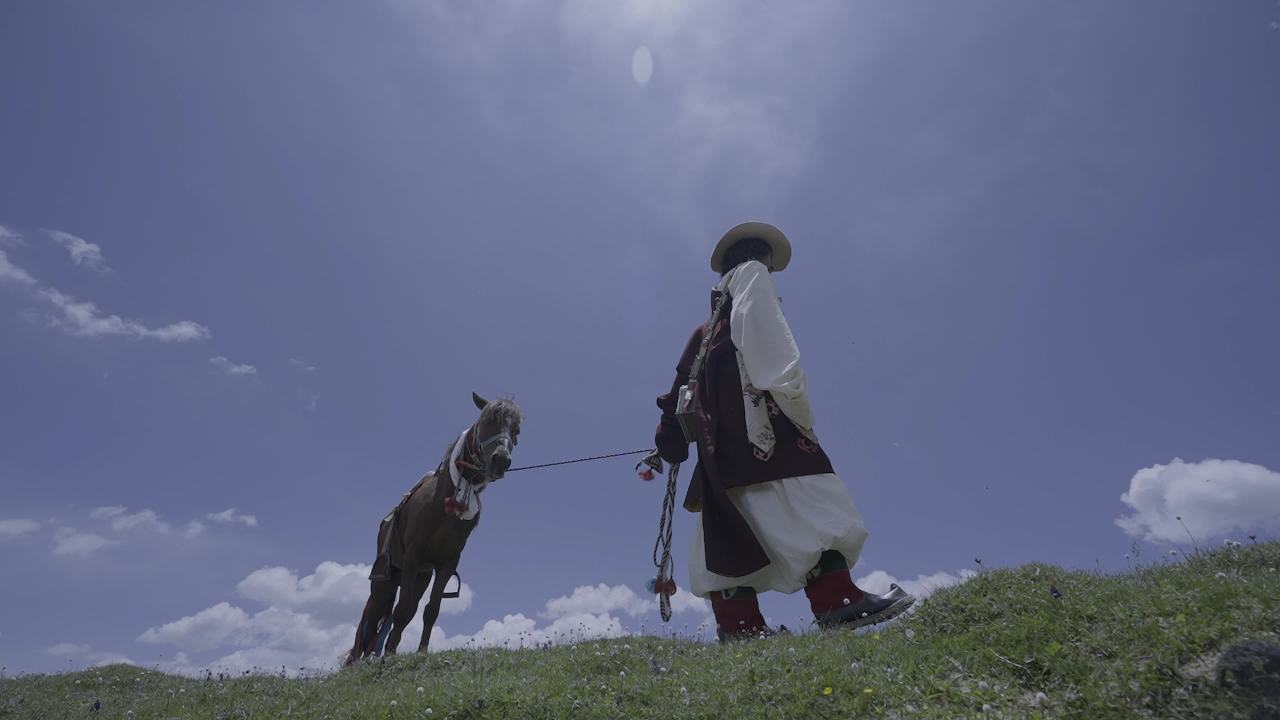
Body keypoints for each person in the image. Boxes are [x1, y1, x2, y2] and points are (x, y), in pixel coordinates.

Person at [653, 221, 915, 641]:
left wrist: (669, 438)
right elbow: (773, 354)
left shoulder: (703, 331)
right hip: (766, 436)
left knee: (724, 532)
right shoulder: (754, 281)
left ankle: (741, 630)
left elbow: (678, 389)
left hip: (719, 455)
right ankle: (837, 603)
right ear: (763, 260)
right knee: (813, 506)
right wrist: (797, 406)